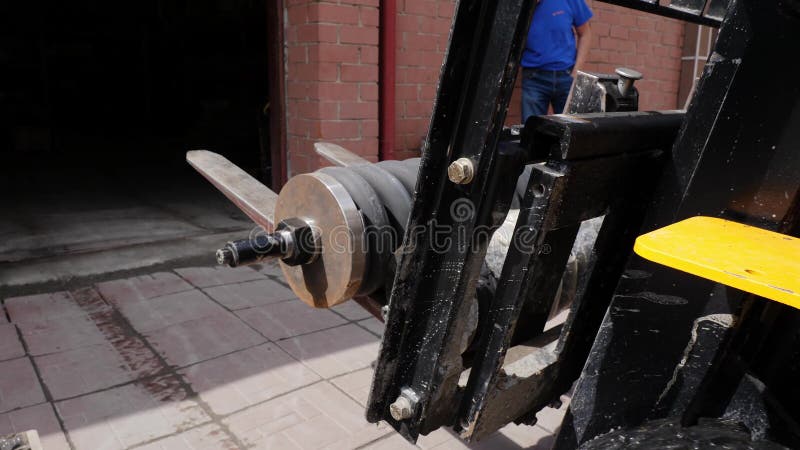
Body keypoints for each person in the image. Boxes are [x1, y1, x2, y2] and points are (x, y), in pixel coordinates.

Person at [521, 0, 593, 121]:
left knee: (571, 129)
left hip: (567, 76)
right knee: (531, 129)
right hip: (534, 78)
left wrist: (577, 72)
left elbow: (585, 33)